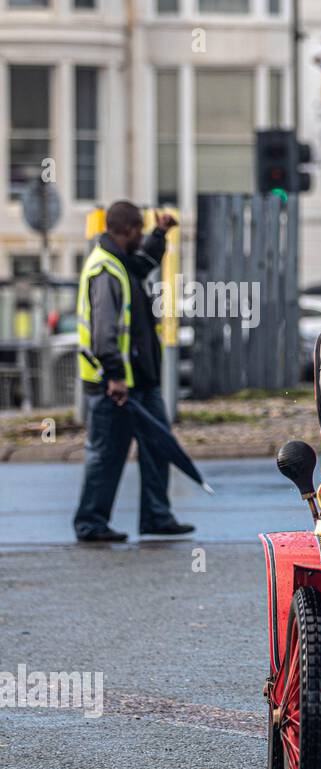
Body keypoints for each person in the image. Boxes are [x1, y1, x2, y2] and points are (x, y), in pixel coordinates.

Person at [73, 201, 193, 543]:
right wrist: (114, 375)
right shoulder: (105, 270)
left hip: (141, 379)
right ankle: (91, 523)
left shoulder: (122, 263)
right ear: (126, 230)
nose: (141, 236)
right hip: (114, 384)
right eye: (139, 230)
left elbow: (144, 264)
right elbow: (103, 332)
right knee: (107, 454)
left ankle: (156, 516)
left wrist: (160, 234)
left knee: (158, 446)